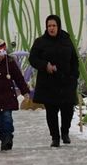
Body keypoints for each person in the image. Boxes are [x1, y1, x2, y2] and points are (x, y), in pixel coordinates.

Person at [29, 15, 79, 147]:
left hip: (66, 81)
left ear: (58, 26)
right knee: (51, 112)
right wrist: (45, 65)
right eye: (49, 26)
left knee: (68, 109)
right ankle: (55, 137)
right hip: (48, 83)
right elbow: (32, 59)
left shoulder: (66, 40)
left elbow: (74, 59)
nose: (51, 28)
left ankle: (65, 132)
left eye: (54, 25)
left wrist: (74, 76)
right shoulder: (40, 42)